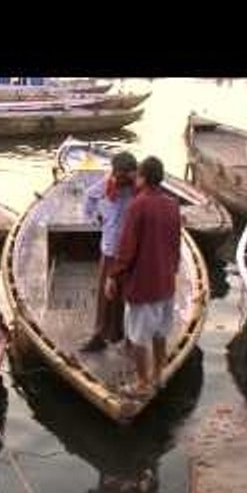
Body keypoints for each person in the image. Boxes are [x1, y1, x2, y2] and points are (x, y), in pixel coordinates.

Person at [105, 156, 181, 399]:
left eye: (138, 174)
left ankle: (142, 383)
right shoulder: (172, 204)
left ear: (144, 177)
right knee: (160, 333)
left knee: (138, 337)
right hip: (166, 282)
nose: (135, 178)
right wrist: (173, 270)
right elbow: (176, 244)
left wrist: (113, 276)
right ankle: (159, 376)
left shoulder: (138, 205)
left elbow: (127, 248)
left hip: (143, 284)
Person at [81, 151, 138, 352]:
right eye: (121, 174)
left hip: (132, 252)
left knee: (130, 296)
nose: (123, 178)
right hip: (111, 250)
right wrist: (96, 217)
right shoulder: (105, 187)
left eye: (128, 174)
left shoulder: (138, 189)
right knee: (107, 296)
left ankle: (124, 337)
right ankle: (100, 336)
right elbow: (88, 199)